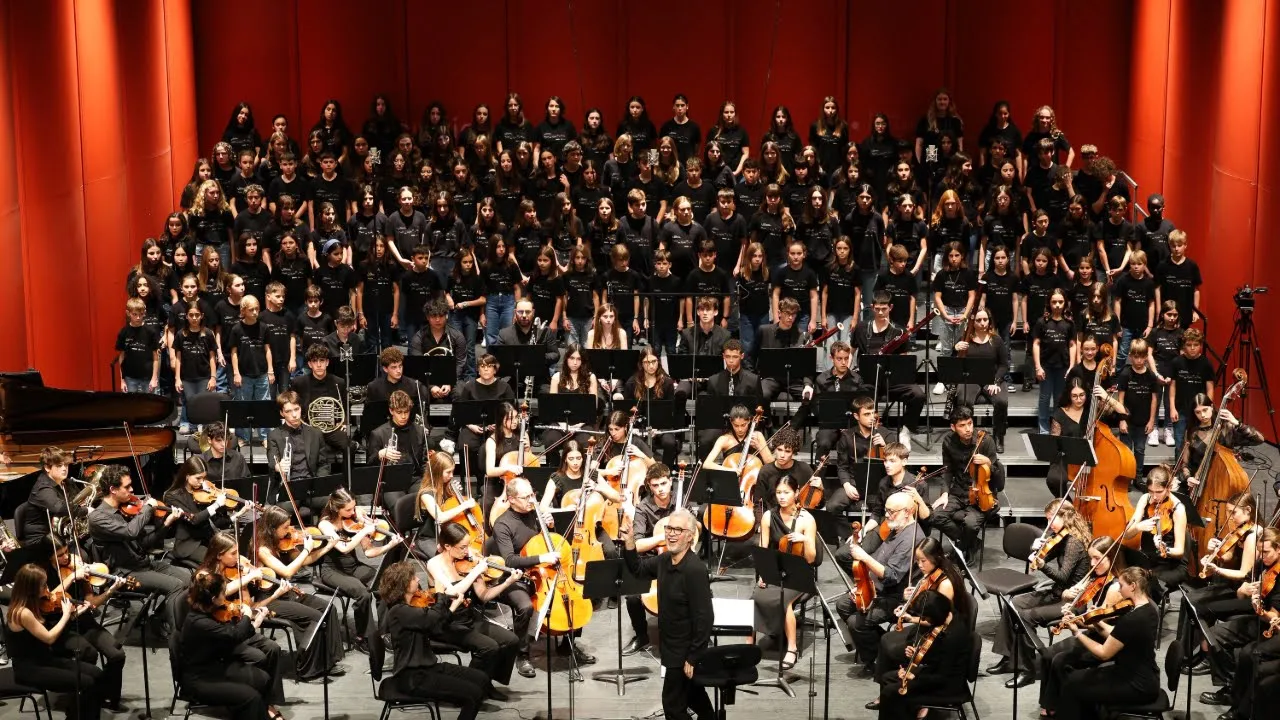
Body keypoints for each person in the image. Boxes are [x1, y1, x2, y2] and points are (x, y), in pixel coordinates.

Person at [620, 506, 715, 720]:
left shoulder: (694, 569)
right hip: (669, 644)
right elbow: (638, 569)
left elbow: (705, 616)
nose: (671, 533)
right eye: (669, 528)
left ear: (690, 537)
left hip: (684, 649)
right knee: (693, 696)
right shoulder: (664, 561)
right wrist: (629, 540)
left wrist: (693, 656)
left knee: (673, 706)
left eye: (677, 530)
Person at [989, 500, 1092, 688]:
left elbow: (1062, 577)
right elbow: (1045, 556)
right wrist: (1036, 549)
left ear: (1065, 516)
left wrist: (1043, 565)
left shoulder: (1074, 543)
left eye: (1052, 518)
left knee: (1025, 617)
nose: (1049, 523)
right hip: (1058, 593)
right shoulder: (1062, 537)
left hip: (1072, 601)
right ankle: (1008, 659)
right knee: (1012, 604)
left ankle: (1027, 670)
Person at [378, 562, 494, 720]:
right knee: (473, 694)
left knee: (482, 679)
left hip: (428, 668)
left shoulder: (409, 608)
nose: (418, 579)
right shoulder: (398, 611)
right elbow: (432, 618)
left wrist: (452, 606)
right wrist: (440, 594)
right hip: (412, 676)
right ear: (404, 584)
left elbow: (435, 627)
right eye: (413, 578)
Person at [870, 537, 975, 711]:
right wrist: (910, 597)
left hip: (938, 632)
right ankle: (890, 691)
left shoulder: (945, 584)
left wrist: (910, 618)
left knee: (891, 647)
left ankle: (908, 693)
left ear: (935, 558)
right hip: (930, 626)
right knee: (886, 639)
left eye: (922, 560)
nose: (919, 565)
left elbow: (938, 619)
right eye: (917, 560)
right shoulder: (931, 573)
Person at [493, 478, 580, 678]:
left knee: (573, 594)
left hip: (544, 573)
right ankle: (522, 654)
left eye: (533, 495)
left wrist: (550, 527)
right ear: (512, 500)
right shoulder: (503, 524)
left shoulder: (536, 514)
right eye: (526, 497)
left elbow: (553, 544)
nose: (532, 501)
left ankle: (568, 644)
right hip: (516, 577)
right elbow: (509, 561)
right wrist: (542, 558)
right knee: (525, 607)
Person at [1051, 567, 1161, 720]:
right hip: (1144, 675)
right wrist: (1096, 621)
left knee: (1072, 686)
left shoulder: (1133, 619)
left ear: (1133, 586)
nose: (1120, 590)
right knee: (1077, 678)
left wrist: (1077, 632)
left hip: (1136, 684)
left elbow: (1104, 653)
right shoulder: (1149, 609)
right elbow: (1116, 635)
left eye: (1121, 586)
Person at [425, 524, 523, 692]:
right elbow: (452, 591)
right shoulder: (434, 563)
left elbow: (484, 595)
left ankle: (485, 682)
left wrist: (508, 582)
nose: (467, 551)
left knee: (511, 641)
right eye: (463, 547)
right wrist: (476, 571)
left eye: (468, 545)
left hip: (469, 618)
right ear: (447, 546)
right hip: (447, 623)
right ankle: (467, 688)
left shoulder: (467, 564)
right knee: (489, 647)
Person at [4, 563, 107, 720]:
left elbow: (57, 597)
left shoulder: (35, 603)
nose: (47, 589)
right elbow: (49, 638)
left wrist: (77, 612)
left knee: (97, 674)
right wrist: (66, 615)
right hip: (30, 668)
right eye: (43, 585)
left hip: (46, 659)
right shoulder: (22, 612)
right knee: (87, 683)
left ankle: (75, 714)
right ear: (31, 589)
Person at [253, 505, 344, 681]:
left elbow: (305, 561)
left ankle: (328, 660)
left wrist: (326, 547)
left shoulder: (283, 543)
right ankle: (308, 669)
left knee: (328, 609)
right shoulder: (262, 550)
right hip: (271, 599)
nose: (289, 531)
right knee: (314, 617)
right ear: (272, 528)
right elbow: (287, 572)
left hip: (287, 593)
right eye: (285, 527)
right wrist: (306, 549)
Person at [837, 491, 920, 674]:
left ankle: (878, 659)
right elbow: (878, 559)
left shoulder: (910, 539)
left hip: (897, 596)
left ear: (908, 511)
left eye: (892, 512)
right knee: (843, 605)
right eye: (886, 511)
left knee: (856, 623)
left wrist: (864, 557)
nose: (888, 516)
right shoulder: (895, 528)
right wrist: (860, 586)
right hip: (878, 588)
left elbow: (890, 576)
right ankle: (881, 647)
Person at [179, 571, 282, 720]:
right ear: (214, 599)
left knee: (263, 679)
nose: (225, 596)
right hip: (200, 678)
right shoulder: (199, 622)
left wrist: (253, 624)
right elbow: (234, 635)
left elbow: (230, 636)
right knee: (251, 697)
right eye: (223, 593)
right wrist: (247, 616)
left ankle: (262, 711)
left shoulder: (207, 611)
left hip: (216, 665)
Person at [316, 488, 402, 652]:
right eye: (348, 510)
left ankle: (385, 633)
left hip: (353, 566)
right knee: (363, 594)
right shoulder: (325, 524)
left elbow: (369, 552)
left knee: (385, 583)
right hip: (332, 571)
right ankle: (363, 637)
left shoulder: (355, 518)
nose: (353, 512)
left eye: (354, 507)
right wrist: (363, 530)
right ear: (336, 508)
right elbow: (344, 548)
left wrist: (390, 544)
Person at [87, 465, 190, 597]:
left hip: (144, 565)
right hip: (125, 574)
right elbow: (130, 532)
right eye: (127, 487)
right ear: (113, 489)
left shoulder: (125, 510)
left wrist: (166, 523)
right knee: (176, 586)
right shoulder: (98, 517)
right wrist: (147, 508)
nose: (132, 490)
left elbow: (144, 544)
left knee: (189, 580)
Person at [752, 475, 818, 670]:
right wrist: (763, 575)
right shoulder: (768, 517)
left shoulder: (807, 519)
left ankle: (792, 648)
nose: (781, 497)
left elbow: (812, 559)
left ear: (796, 493)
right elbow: (763, 550)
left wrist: (804, 540)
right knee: (755, 596)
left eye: (786, 492)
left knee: (784, 601)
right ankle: (748, 647)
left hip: (800, 573)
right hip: (775, 570)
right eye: (779, 492)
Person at [875, 590, 972, 720]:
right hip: (936, 672)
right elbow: (939, 656)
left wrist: (913, 675)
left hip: (947, 685)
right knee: (886, 677)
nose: (924, 621)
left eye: (926, 618)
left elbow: (943, 676)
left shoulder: (953, 636)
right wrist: (918, 654)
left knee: (890, 692)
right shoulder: (949, 616)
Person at [622, 463, 682, 655]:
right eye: (655, 485)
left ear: (670, 481)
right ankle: (641, 635)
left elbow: (695, 531)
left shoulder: (681, 502)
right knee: (632, 596)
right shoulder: (642, 508)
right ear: (649, 485)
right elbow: (637, 545)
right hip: (651, 561)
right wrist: (662, 538)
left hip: (677, 560)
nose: (660, 489)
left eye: (663, 484)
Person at [851, 292, 924, 445]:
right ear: (872, 308)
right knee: (861, 393)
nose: (880, 312)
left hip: (893, 381)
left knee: (917, 394)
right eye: (877, 309)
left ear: (890, 308)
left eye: (884, 309)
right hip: (869, 379)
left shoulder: (899, 331)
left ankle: (906, 430)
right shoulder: (862, 327)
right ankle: (869, 432)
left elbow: (904, 360)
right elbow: (851, 352)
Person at [931, 406, 1005, 554]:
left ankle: (961, 549)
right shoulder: (948, 441)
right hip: (958, 491)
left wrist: (989, 463)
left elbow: (998, 481)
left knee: (970, 524)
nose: (968, 429)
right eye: (962, 425)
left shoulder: (985, 441)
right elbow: (947, 470)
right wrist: (944, 493)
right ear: (953, 427)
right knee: (935, 515)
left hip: (982, 495)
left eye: (970, 423)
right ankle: (969, 543)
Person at [163, 456, 249, 568]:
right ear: (187, 476)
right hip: (189, 545)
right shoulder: (173, 496)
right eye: (198, 478)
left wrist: (239, 514)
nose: (202, 482)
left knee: (236, 556)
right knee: (223, 562)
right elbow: (194, 519)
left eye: (204, 478)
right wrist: (216, 504)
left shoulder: (203, 493)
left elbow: (215, 522)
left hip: (209, 539)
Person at [951, 307, 1010, 452]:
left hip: (992, 379)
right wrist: (955, 349)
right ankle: (967, 436)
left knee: (1002, 401)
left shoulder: (996, 340)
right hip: (971, 379)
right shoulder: (965, 338)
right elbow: (954, 364)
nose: (983, 323)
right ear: (973, 321)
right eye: (979, 320)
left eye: (985, 319)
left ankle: (998, 436)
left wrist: (996, 381)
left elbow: (1004, 364)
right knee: (964, 401)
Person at [288, 343, 350, 473]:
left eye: (322, 360)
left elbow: (344, 407)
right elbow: (293, 405)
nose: (319, 364)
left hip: (333, 428)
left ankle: (347, 484)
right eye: (315, 361)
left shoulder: (339, 382)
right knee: (312, 451)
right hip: (309, 428)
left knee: (348, 445)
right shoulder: (299, 383)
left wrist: (344, 423)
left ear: (327, 362)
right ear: (310, 364)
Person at [698, 340, 763, 458]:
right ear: (723, 356)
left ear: (742, 356)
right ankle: (704, 473)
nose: (731, 360)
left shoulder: (753, 380)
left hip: (743, 424)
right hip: (720, 424)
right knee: (705, 440)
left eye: (735, 357)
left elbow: (759, 406)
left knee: (755, 441)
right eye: (728, 357)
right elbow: (710, 409)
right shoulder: (714, 380)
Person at [829, 395, 887, 517]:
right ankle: (849, 535)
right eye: (867, 414)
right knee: (832, 506)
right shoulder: (847, 436)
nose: (872, 418)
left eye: (873, 413)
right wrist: (847, 485)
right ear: (856, 416)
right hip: (854, 483)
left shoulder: (886, 434)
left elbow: (897, 461)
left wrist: (885, 446)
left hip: (879, 485)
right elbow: (842, 467)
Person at [624, 346, 680, 466]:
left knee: (669, 443)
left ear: (658, 361)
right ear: (641, 364)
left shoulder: (667, 382)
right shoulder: (632, 383)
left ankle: (666, 471)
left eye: (654, 361)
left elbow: (670, 411)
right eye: (647, 362)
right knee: (634, 443)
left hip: (662, 426)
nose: (651, 365)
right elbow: (627, 410)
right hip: (640, 426)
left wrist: (658, 429)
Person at [21, 447, 87, 545]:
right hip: (41, 540)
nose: (64, 469)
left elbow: (79, 501)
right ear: (47, 467)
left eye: (66, 465)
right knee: (83, 553)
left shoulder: (67, 483)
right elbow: (60, 508)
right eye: (59, 466)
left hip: (61, 534)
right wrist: (86, 510)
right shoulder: (41, 489)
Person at [366, 389, 427, 478]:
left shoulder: (419, 431)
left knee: (427, 492)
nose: (403, 416)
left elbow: (424, 462)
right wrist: (379, 455)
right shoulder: (378, 433)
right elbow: (369, 464)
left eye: (406, 412)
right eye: (399, 412)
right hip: (391, 479)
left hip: (414, 478)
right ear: (391, 411)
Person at [267, 390, 325, 480]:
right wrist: (278, 466)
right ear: (282, 413)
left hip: (311, 483)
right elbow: (272, 462)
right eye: (288, 411)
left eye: (296, 409)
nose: (294, 415)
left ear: (301, 408)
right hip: (289, 484)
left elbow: (323, 464)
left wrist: (320, 483)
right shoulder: (274, 435)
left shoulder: (315, 433)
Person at [702, 404, 774, 475]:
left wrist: (759, 447)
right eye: (736, 425)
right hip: (731, 481)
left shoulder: (757, 436)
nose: (740, 429)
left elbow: (771, 464)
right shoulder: (724, 439)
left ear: (749, 420)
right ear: (731, 422)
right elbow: (707, 464)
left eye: (743, 425)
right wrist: (730, 470)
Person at [754, 428, 813, 513]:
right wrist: (760, 524)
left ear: (793, 452)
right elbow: (758, 504)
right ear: (775, 449)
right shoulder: (765, 471)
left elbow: (819, 504)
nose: (782, 455)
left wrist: (820, 488)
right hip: (772, 519)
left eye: (787, 451)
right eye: (779, 450)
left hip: (797, 518)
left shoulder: (805, 470)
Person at [117, 297, 161, 394]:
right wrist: (122, 380)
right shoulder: (124, 332)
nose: (138, 317)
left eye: (141, 314)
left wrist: (154, 378)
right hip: (130, 377)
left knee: (149, 405)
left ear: (144, 313)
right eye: (135, 314)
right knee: (132, 406)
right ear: (128, 313)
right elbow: (122, 357)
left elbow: (155, 357)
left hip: (148, 377)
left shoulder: (151, 332)